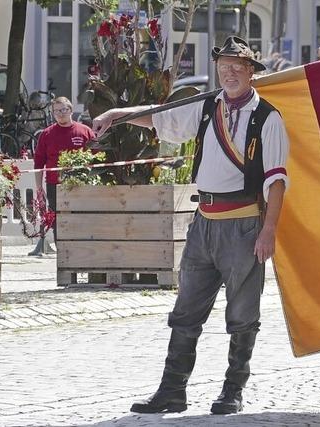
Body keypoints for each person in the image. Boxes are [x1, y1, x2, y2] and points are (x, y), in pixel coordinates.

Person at [92, 36, 289, 415]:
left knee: (242, 314)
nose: (229, 72)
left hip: (244, 225)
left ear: (251, 72)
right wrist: (119, 115)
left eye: (237, 66)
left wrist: (269, 232)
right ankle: (172, 391)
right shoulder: (205, 106)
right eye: (224, 66)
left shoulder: (268, 117)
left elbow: (276, 180)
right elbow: (162, 116)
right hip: (203, 224)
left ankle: (233, 390)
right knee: (185, 311)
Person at [33, 97, 95, 241]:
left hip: (80, 185)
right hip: (54, 185)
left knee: (80, 219)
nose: (60, 114)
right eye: (56, 111)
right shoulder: (47, 134)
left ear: (71, 111)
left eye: (63, 110)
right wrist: (39, 188)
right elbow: (38, 163)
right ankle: (61, 254)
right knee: (58, 221)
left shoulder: (85, 131)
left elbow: (97, 158)